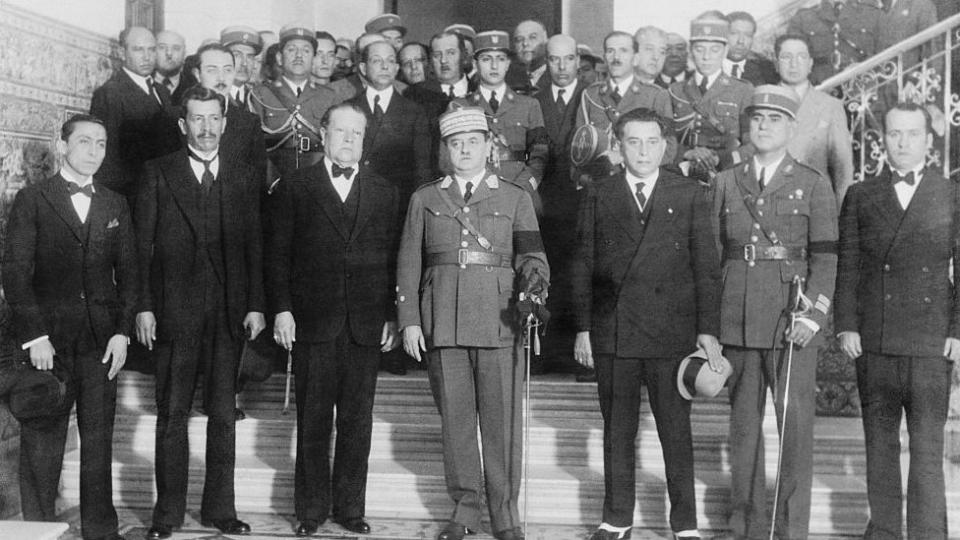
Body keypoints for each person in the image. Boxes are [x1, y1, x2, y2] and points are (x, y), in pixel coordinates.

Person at [397, 106, 549, 540]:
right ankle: (465, 510)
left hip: (501, 320)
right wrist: (410, 320)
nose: (464, 150)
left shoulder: (515, 196)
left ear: (489, 145)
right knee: (457, 422)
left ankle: (504, 514)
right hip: (442, 318)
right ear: (446, 150)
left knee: (501, 423)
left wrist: (534, 291)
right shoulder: (425, 198)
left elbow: (533, 257)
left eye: (473, 142)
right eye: (456, 144)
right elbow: (409, 261)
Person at [570, 107, 721, 540]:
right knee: (618, 430)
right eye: (633, 142)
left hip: (672, 333)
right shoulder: (599, 193)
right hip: (613, 331)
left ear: (665, 146)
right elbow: (583, 264)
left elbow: (706, 268)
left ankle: (686, 524)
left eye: (652, 141)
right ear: (618, 146)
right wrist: (583, 326)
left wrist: (707, 330)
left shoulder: (690, 192)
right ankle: (616, 519)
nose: (643, 150)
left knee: (676, 432)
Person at [136, 87, 265, 540]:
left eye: (214, 119)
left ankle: (220, 510)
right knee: (172, 413)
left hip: (229, 314)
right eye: (197, 119)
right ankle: (167, 515)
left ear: (225, 123)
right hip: (174, 313)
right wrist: (145, 307)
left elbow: (255, 246)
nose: (207, 128)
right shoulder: (157, 172)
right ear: (182, 124)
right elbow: (140, 249)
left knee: (223, 415)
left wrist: (255, 304)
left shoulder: (246, 174)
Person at [711, 85, 838, 540]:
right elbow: (712, 256)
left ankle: (789, 531)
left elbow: (826, 258)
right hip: (738, 318)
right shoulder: (726, 181)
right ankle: (743, 527)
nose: (763, 126)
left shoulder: (812, 182)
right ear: (747, 126)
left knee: (794, 431)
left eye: (774, 119)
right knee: (743, 433)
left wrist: (815, 316)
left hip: (791, 320)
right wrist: (710, 326)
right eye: (757, 119)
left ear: (791, 127)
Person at [266, 102, 400, 538]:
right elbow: (278, 255)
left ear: (365, 140)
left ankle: (349, 508)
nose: (348, 140)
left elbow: (395, 259)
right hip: (312, 322)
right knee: (313, 420)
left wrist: (392, 315)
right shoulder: (295, 185)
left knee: (357, 423)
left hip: (365, 324)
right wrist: (283, 309)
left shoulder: (385, 191)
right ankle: (310, 510)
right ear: (322, 134)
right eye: (340, 131)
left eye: (356, 134)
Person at [3, 114, 138, 540]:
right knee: (42, 448)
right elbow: (16, 274)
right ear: (61, 146)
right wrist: (34, 337)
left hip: (102, 342)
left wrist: (122, 332)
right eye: (84, 142)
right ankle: (41, 530)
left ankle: (101, 531)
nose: (93, 151)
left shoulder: (116, 204)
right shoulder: (32, 199)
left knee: (98, 445)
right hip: (48, 345)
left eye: (100, 143)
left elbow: (131, 273)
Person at [836, 102, 958, 540]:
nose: (902, 143)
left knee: (926, 451)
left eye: (912, 134)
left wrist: (957, 331)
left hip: (929, 342)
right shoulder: (860, 195)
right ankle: (884, 531)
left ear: (929, 140)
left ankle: (928, 534)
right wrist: (846, 324)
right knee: (879, 447)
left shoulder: (951, 194)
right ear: (881, 139)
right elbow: (847, 264)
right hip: (875, 341)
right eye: (893, 133)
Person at [532, 34, 584, 374]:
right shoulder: (533, 101)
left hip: (583, 201)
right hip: (544, 206)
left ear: (578, 60)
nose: (562, 67)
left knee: (580, 275)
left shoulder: (595, 98)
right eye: (554, 59)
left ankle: (580, 355)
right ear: (546, 63)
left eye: (568, 59)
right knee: (543, 274)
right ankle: (545, 355)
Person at [452, 31, 549, 209]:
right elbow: (451, 159)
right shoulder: (460, 106)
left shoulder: (529, 105)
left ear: (508, 63)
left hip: (522, 198)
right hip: (475, 199)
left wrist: (522, 189)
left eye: (501, 58)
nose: (494, 65)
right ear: (476, 63)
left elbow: (540, 155)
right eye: (487, 59)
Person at [574, 31, 676, 186]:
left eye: (623, 51)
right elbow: (579, 149)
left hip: (641, 185)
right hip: (599, 183)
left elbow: (668, 149)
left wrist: (622, 156)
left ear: (635, 58)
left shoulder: (656, 96)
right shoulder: (590, 95)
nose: (616, 58)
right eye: (610, 51)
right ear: (604, 57)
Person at [90, 26, 181, 198]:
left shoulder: (162, 91)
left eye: (152, 50)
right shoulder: (109, 94)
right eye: (138, 50)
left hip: (165, 195)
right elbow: (107, 160)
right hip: (132, 197)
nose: (147, 57)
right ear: (122, 53)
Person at [249, 25, 339, 185]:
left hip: (317, 181)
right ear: (279, 58)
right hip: (274, 179)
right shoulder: (260, 94)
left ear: (313, 58)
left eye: (306, 51)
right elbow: (253, 148)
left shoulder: (329, 97)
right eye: (291, 50)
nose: (299, 56)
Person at [669, 18, 753, 182]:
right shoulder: (675, 91)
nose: (706, 57)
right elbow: (662, 140)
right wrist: (687, 153)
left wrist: (720, 159)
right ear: (691, 51)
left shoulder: (743, 90)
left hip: (728, 176)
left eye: (714, 50)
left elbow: (753, 144)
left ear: (726, 50)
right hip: (682, 176)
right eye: (699, 49)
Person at [776, 34, 854, 205]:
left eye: (801, 57)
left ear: (811, 63)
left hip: (816, 208)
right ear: (776, 63)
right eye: (786, 57)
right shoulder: (763, 101)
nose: (794, 64)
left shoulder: (831, 106)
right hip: (771, 208)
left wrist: (839, 220)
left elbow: (843, 171)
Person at [193, 43, 268, 191]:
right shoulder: (174, 118)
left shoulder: (249, 122)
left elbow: (258, 181)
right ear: (197, 74)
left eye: (227, 70)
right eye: (212, 70)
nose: (221, 78)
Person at [787, 0, 881, 83]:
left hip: (863, 90)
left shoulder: (873, 15)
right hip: (822, 93)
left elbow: (885, 60)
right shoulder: (801, 19)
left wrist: (862, 70)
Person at [723, 12, 778, 85]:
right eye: (734, 33)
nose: (741, 41)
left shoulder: (765, 69)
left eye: (748, 35)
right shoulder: (708, 67)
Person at [220, 26, 263, 106]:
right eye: (237, 55)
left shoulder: (259, 99)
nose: (244, 63)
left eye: (250, 57)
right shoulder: (213, 97)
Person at [154, 30, 196, 105]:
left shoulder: (193, 86)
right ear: (153, 51)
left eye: (176, 48)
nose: (169, 53)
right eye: (162, 47)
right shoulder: (141, 83)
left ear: (184, 54)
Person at [511, 19, 550, 93]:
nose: (525, 43)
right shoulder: (510, 81)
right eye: (519, 40)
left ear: (545, 41)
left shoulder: (556, 77)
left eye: (532, 37)